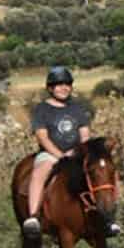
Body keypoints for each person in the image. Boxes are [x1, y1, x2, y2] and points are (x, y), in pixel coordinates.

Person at [21, 66, 97, 236]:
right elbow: (43, 137)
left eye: (67, 84)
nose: (64, 88)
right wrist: (60, 156)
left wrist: (82, 152)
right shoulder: (42, 109)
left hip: (75, 153)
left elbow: (84, 134)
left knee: (99, 171)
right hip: (51, 154)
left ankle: (106, 216)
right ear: (50, 88)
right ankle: (33, 215)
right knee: (39, 172)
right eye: (59, 84)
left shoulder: (77, 109)